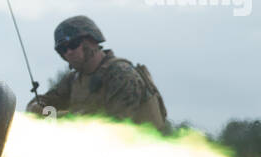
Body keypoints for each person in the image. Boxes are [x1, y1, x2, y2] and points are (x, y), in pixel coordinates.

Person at [26, 15, 167, 130]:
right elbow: (42, 102)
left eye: (73, 45)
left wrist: (61, 117)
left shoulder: (122, 75)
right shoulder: (74, 79)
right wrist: (37, 109)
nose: (69, 52)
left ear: (92, 40)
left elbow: (117, 127)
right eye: (63, 49)